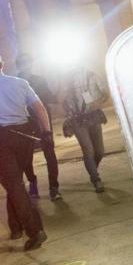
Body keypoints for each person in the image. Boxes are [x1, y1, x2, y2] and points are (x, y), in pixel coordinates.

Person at [0, 53, 50, 250]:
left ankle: (34, 230)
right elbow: (40, 108)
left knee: (14, 185)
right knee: (15, 182)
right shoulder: (20, 83)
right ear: (2, 64)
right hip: (23, 137)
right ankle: (16, 227)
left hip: (2, 140)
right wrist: (47, 132)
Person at [16, 53, 61, 201]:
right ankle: (35, 183)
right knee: (28, 157)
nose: (26, 66)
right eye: (23, 63)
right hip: (28, 123)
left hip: (38, 122)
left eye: (27, 63)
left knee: (47, 154)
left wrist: (57, 91)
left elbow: (49, 98)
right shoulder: (16, 82)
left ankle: (53, 187)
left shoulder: (36, 80)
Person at [62, 65, 108, 193]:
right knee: (88, 150)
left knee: (99, 151)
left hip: (93, 116)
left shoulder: (91, 75)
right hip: (76, 119)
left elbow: (105, 93)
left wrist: (98, 102)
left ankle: (92, 168)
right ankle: (96, 179)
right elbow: (61, 100)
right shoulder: (65, 80)